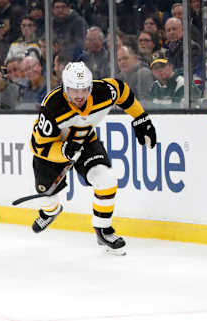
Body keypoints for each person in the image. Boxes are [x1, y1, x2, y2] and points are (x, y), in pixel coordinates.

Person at [29, 62, 157, 254]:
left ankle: (103, 229)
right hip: (51, 149)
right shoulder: (52, 107)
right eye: (73, 90)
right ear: (65, 87)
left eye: (84, 89)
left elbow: (122, 91)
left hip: (84, 140)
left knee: (106, 178)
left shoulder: (102, 92)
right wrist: (63, 151)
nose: (79, 95)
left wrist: (141, 118)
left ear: (90, 87)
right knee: (46, 198)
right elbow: (40, 147)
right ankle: (50, 211)